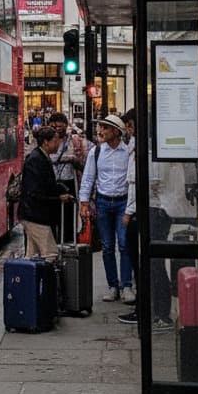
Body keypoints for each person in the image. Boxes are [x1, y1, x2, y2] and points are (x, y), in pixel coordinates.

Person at [116, 110, 174, 331]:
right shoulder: (141, 147)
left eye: (129, 126)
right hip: (149, 210)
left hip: (151, 211)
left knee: (153, 264)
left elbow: (141, 184)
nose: (127, 131)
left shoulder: (148, 150)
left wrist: (128, 212)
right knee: (144, 264)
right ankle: (146, 309)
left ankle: (160, 312)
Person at [79, 113, 134, 303]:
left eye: (105, 127)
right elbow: (88, 178)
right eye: (100, 127)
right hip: (103, 202)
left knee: (124, 244)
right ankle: (113, 286)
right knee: (107, 246)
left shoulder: (128, 152)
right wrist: (84, 203)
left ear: (116, 132)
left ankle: (126, 285)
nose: (100, 130)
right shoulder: (96, 152)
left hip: (122, 203)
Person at [17, 125, 74, 260]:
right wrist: (58, 198)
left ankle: (31, 274)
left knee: (32, 256)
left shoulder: (41, 157)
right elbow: (36, 191)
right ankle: (47, 275)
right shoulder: (36, 160)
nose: (58, 143)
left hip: (33, 214)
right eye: (55, 140)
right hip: (35, 215)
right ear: (46, 142)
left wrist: (61, 190)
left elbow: (47, 185)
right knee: (50, 253)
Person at [47, 112, 85, 243]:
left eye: (60, 126)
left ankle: (68, 244)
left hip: (69, 183)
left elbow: (84, 165)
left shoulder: (74, 141)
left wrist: (74, 160)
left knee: (68, 219)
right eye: (53, 126)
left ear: (66, 125)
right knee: (51, 220)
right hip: (51, 184)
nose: (57, 129)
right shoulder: (46, 140)